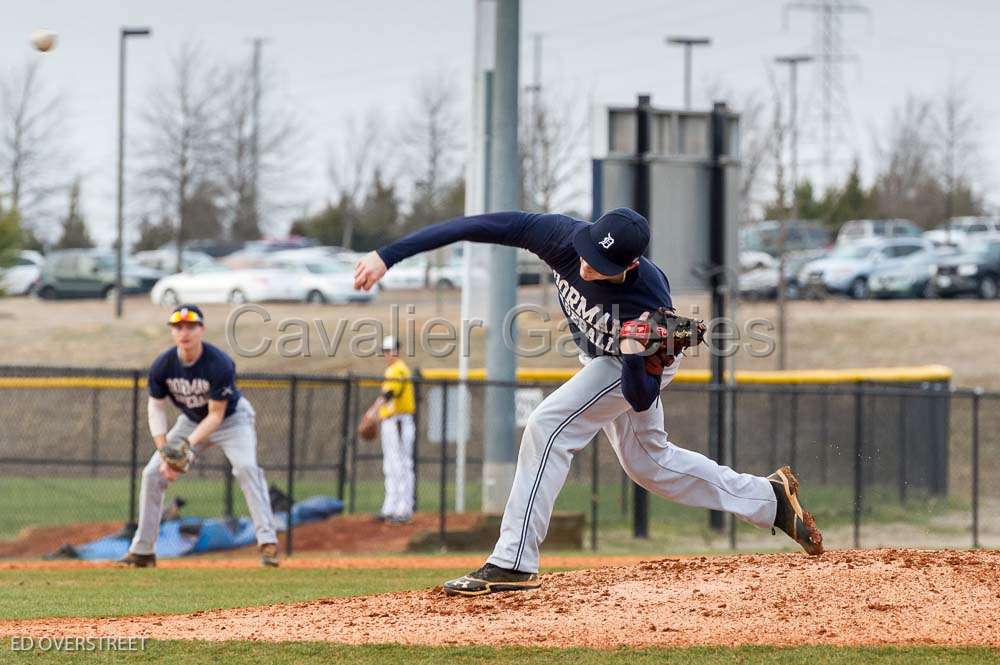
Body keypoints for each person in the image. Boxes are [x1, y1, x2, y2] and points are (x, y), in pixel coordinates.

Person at [354, 208, 824, 596]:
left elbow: (639, 398)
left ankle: (514, 561)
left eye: (600, 268)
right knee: (648, 464)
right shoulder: (562, 238)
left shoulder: (645, 298)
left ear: (631, 266)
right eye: (585, 255)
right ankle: (770, 499)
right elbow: (476, 225)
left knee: (547, 426)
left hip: (633, 364)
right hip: (600, 356)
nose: (583, 269)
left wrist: (638, 353)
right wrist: (388, 255)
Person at [119, 304, 280, 568]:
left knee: (246, 468)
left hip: (232, 420)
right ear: (172, 332)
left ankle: (267, 542)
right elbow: (155, 408)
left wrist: (185, 448)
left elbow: (216, 415)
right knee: (151, 474)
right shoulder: (163, 365)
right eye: (178, 327)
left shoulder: (219, 364)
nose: (185, 332)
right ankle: (143, 551)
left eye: (191, 327)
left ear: (201, 330)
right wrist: (164, 453)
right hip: (191, 421)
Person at [370, 335, 416, 524]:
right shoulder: (393, 370)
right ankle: (390, 506)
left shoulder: (398, 369)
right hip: (391, 422)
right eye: (385, 351)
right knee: (391, 465)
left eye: (391, 350)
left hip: (399, 422)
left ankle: (403, 508)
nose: (388, 354)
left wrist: (372, 412)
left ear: (398, 350)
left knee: (401, 465)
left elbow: (389, 394)